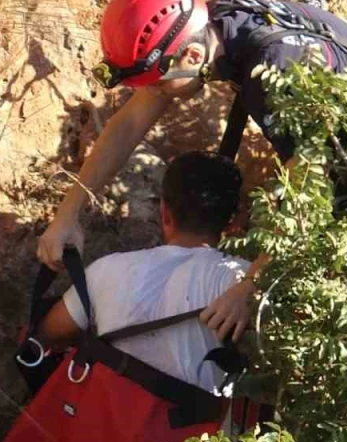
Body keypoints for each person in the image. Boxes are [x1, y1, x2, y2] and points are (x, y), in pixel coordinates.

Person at [37, 0, 347, 342]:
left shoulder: (273, 70)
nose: (153, 94)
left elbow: (309, 189)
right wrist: (67, 214)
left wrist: (249, 288)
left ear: (191, 57)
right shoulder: (210, 22)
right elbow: (128, 124)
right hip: (339, 137)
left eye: (157, 83)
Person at [35, 150, 248, 394]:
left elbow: (49, 333)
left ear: (164, 211)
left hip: (105, 421)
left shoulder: (106, 270)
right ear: (233, 225)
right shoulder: (243, 282)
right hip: (195, 430)